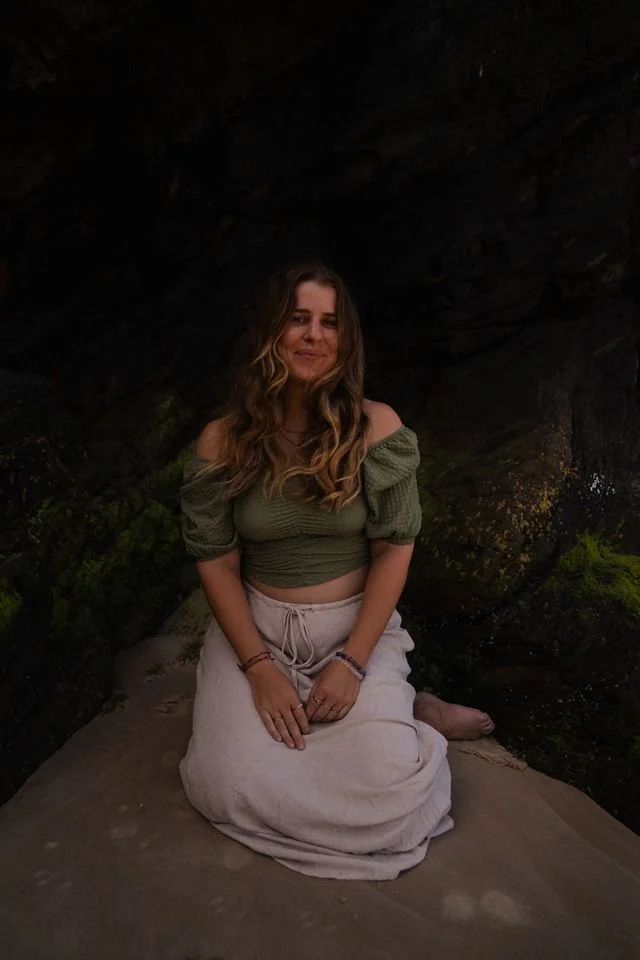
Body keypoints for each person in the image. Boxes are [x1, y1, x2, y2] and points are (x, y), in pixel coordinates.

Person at [179, 262, 494, 881]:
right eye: (298, 319)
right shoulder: (224, 440)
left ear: (344, 341)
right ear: (273, 331)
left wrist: (351, 664)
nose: (313, 335)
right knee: (221, 785)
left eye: (328, 323)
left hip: (351, 631)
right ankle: (394, 707)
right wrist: (259, 668)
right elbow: (215, 559)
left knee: (392, 800)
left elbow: (394, 549)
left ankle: (406, 709)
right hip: (256, 634)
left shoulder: (378, 428)